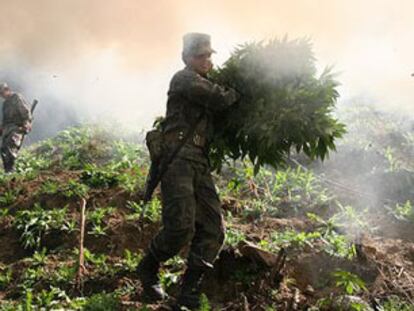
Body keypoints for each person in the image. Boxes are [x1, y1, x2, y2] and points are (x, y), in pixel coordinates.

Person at [137, 33, 239, 310]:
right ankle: (148, 268)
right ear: (187, 58)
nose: (207, 60)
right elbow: (220, 99)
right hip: (178, 160)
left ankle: (189, 293)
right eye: (200, 56)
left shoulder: (203, 81)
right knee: (180, 226)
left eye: (209, 55)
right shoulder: (184, 79)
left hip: (199, 161)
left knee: (213, 228)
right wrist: (239, 89)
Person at [0, 83, 32, 173]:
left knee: (10, 146)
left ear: (7, 90)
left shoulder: (16, 97)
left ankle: (11, 170)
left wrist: (26, 124)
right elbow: (5, 119)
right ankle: (7, 170)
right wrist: (1, 128)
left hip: (17, 127)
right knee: (3, 149)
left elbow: (26, 112)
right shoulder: (5, 104)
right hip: (7, 129)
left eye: (2, 93)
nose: (2, 96)